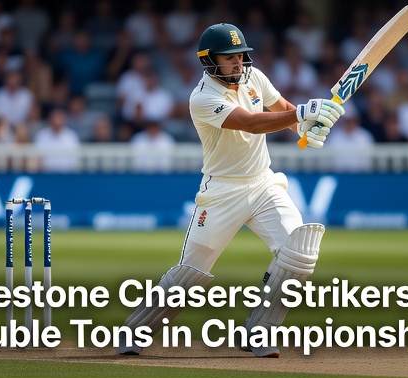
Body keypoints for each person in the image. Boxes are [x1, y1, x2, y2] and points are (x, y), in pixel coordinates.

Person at [117, 22, 345, 357]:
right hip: (221, 192)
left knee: (300, 251)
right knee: (190, 275)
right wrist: (302, 112)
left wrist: (306, 127)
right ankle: (134, 331)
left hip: (263, 182)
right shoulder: (203, 98)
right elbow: (252, 124)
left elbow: (281, 109)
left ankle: (259, 331)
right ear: (210, 60)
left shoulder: (254, 77)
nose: (238, 62)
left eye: (241, 55)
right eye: (230, 57)